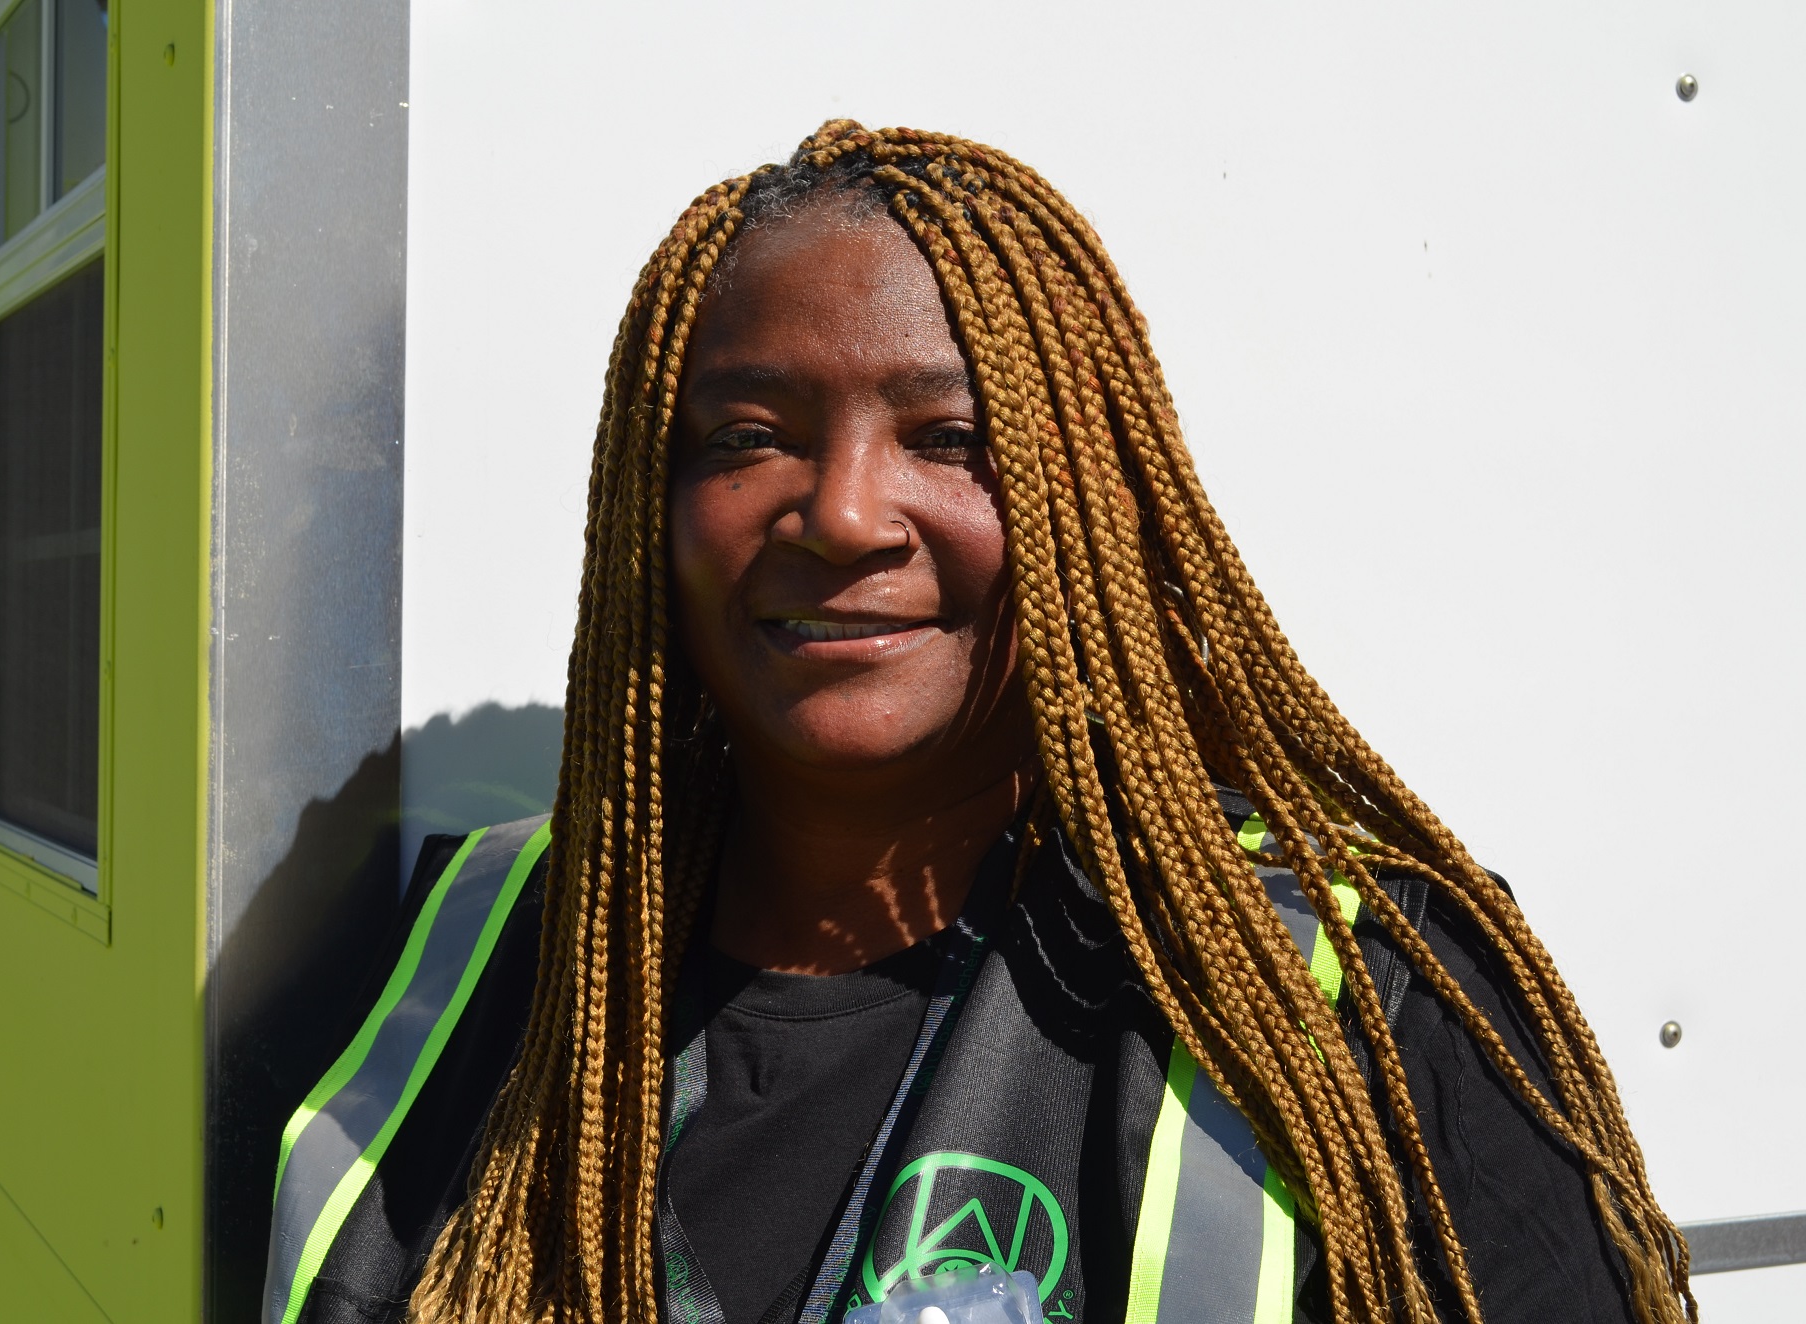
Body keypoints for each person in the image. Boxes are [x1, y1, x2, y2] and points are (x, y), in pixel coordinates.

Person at [266, 122, 1692, 1324]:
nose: (839, 514)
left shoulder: (1359, 1008)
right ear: (650, 504)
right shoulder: (473, 952)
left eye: (952, 441)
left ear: (1086, 504)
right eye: (750, 435)